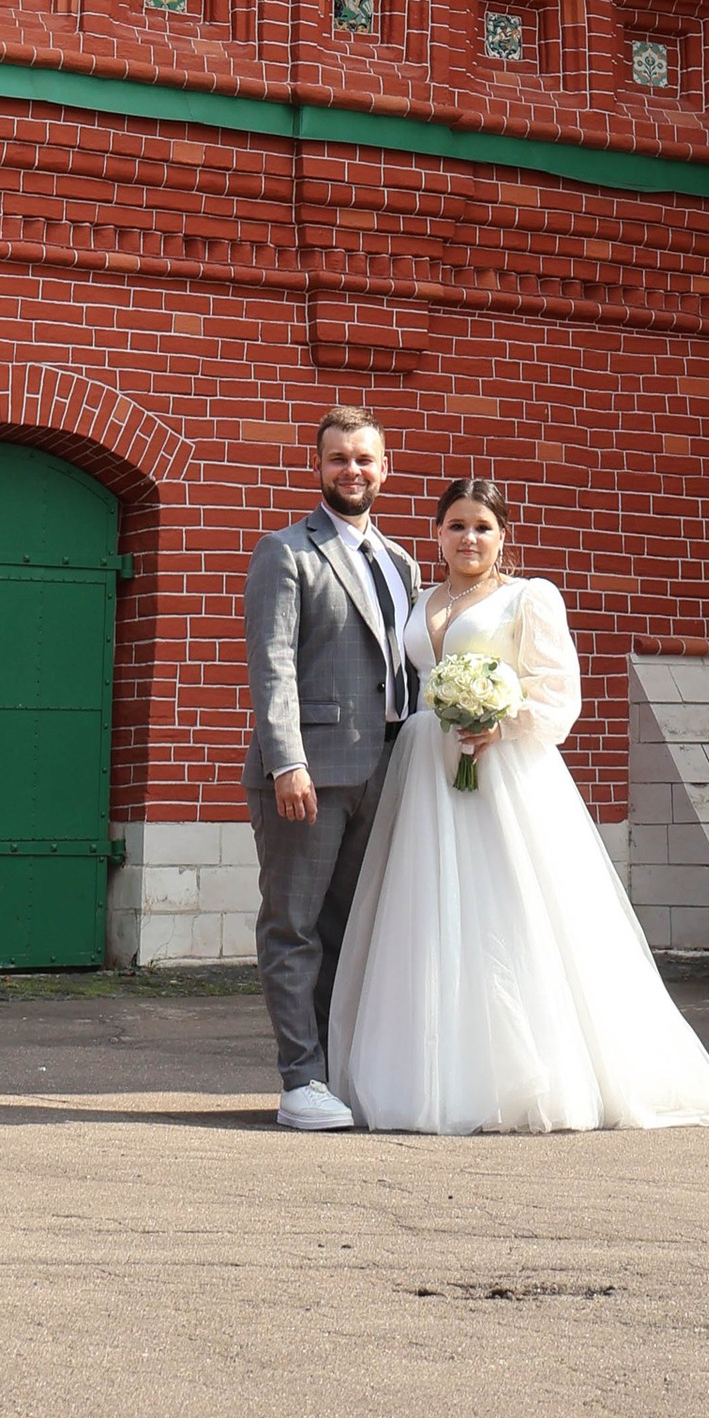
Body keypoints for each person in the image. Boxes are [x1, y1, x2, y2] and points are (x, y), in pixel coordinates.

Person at [327, 475, 709, 1135]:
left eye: (483, 527)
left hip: (503, 767)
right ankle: (431, 1070)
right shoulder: (419, 598)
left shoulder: (528, 598)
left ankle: (532, 1075)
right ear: (436, 534)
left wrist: (502, 717)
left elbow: (559, 693)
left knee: (510, 910)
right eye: (457, 525)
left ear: (503, 537)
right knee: (429, 911)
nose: (470, 538)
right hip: (425, 767)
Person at [243, 406, 424, 1133]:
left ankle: (337, 1071)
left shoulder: (403, 562)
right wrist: (287, 762)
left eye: (365, 459)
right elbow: (272, 666)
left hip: (384, 771)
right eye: (338, 459)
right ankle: (300, 1082)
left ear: (386, 469)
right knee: (294, 926)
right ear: (318, 468)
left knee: (354, 930)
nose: (352, 470)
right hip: (308, 776)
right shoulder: (286, 552)